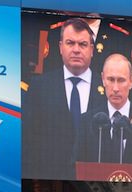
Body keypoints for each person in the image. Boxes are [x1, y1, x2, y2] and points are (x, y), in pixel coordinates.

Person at [22, 17, 105, 180]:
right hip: (48, 178)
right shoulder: (40, 86)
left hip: (98, 181)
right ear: (60, 47)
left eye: (82, 44)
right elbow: (29, 140)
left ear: (92, 50)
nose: (76, 49)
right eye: (70, 43)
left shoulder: (107, 87)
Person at [77, 54, 132, 166]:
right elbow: (77, 168)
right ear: (103, 79)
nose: (115, 88)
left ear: (131, 81)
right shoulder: (86, 121)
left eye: (121, 80)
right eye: (111, 80)